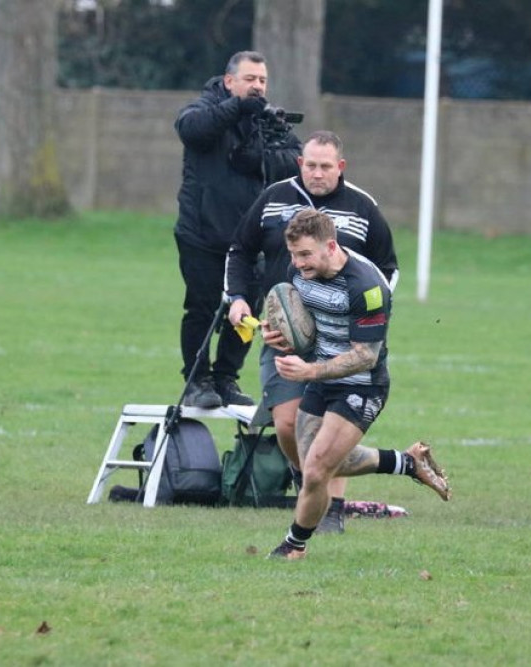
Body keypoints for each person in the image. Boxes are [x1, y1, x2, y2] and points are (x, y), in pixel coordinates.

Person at [226, 130, 399, 534]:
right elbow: (240, 249)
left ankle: (330, 507)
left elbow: (388, 268)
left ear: (340, 167)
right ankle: (316, 480)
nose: (316, 173)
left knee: (326, 430)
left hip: (339, 337)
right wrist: (237, 298)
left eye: (325, 166)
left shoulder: (362, 207)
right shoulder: (273, 199)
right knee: (287, 425)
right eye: (309, 164)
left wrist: (369, 315)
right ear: (299, 163)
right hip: (283, 333)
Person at [264, 209, 449, 560]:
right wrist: (275, 332)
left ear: (330, 246)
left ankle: (293, 546)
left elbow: (365, 356)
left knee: (318, 468)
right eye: (293, 254)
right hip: (321, 377)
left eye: (305, 254)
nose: (297, 262)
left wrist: (308, 372)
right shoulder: (299, 273)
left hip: (362, 386)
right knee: (314, 466)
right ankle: (406, 463)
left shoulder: (367, 287)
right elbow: (297, 321)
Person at [173, 51, 302, 408]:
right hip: (202, 232)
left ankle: (226, 378)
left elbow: (297, 158)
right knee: (202, 307)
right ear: (230, 82)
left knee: (246, 310)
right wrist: (238, 109)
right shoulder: (205, 108)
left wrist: (258, 157)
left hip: (248, 239)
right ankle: (197, 381)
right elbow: (192, 131)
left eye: (262, 80)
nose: (258, 87)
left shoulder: (263, 117)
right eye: (250, 79)